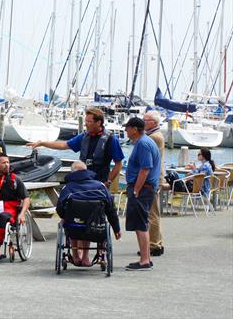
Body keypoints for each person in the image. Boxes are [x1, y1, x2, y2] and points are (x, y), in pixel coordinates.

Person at [26, 107, 123, 185]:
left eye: (89, 122)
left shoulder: (111, 139)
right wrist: (42, 143)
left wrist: (108, 182)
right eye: (85, 121)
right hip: (83, 180)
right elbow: (64, 145)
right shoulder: (84, 137)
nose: (86, 124)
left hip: (99, 181)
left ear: (98, 123)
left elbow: (118, 164)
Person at [56, 161, 121, 266]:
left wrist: (64, 217)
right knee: (90, 221)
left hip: (73, 226)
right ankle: (86, 257)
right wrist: (116, 228)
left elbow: (59, 208)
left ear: (72, 173)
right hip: (96, 227)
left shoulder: (68, 188)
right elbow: (111, 209)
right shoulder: (100, 186)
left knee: (72, 222)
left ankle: (76, 256)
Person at [123, 116, 161, 271]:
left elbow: (145, 169)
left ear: (134, 129)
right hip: (144, 187)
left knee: (141, 223)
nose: (125, 130)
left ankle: (144, 260)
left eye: (127, 127)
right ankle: (146, 258)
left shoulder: (143, 144)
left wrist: (137, 189)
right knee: (141, 222)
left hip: (143, 188)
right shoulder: (144, 142)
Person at [144, 111, 167, 257]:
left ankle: (154, 244)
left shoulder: (153, 137)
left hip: (152, 179)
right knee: (152, 212)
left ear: (153, 122)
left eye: (146, 120)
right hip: (155, 178)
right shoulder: (155, 136)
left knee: (152, 213)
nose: (143, 122)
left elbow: (148, 161)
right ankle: (155, 242)